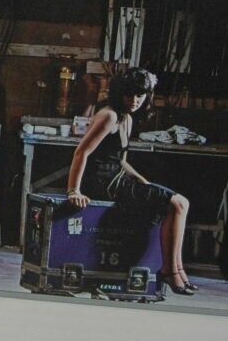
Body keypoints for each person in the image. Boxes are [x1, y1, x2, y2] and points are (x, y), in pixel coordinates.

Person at [64, 67, 196, 295]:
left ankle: (177, 268)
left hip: (116, 179)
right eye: (129, 94)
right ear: (120, 93)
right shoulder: (109, 116)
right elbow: (81, 153)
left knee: (181, 204)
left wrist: (142, 181)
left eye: (140, 95)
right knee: (178, 203)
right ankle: (169, 270)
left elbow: (120, 160)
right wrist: (73, 190)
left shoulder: (127, 118)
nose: (134, 100)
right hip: (102, 183)